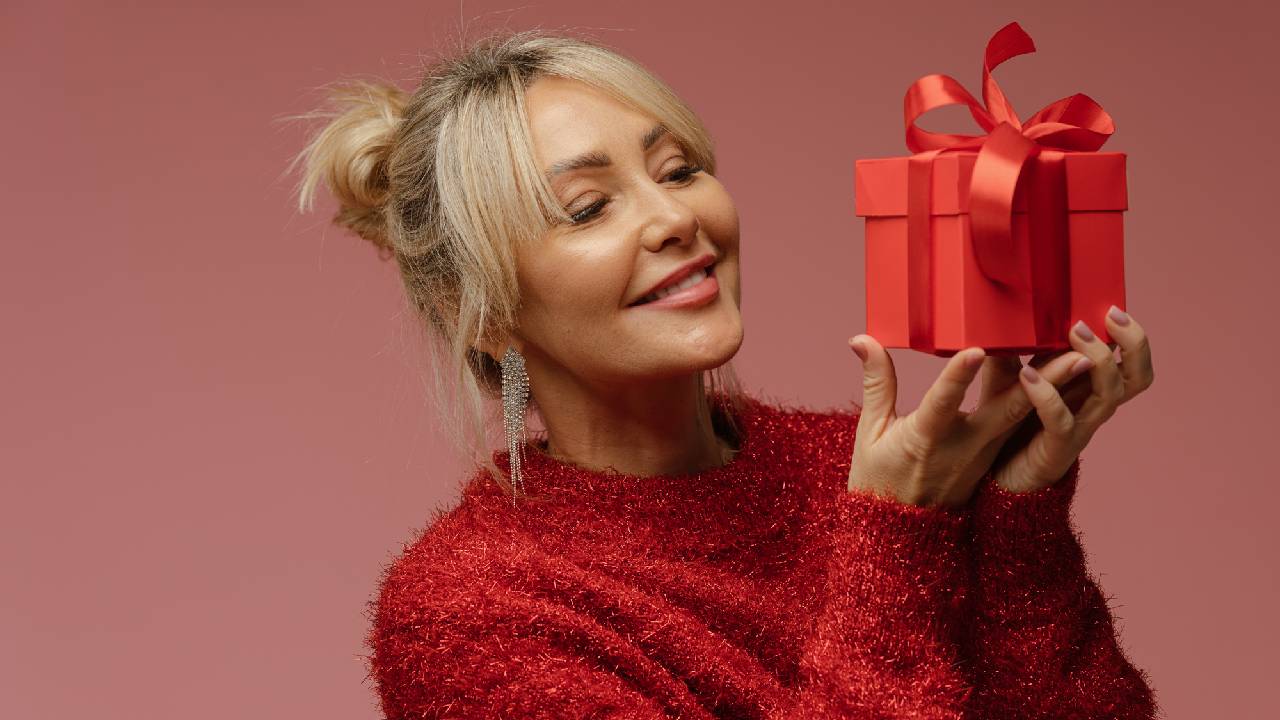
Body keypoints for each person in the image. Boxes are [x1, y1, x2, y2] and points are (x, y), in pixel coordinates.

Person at [290, 28, 1158, 719]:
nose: (675, 216)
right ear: (479, 311)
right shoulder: (472, 612)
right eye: (588, 207)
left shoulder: (863, 467)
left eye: (680, 170)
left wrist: (1018, 515)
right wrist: (899, 539)